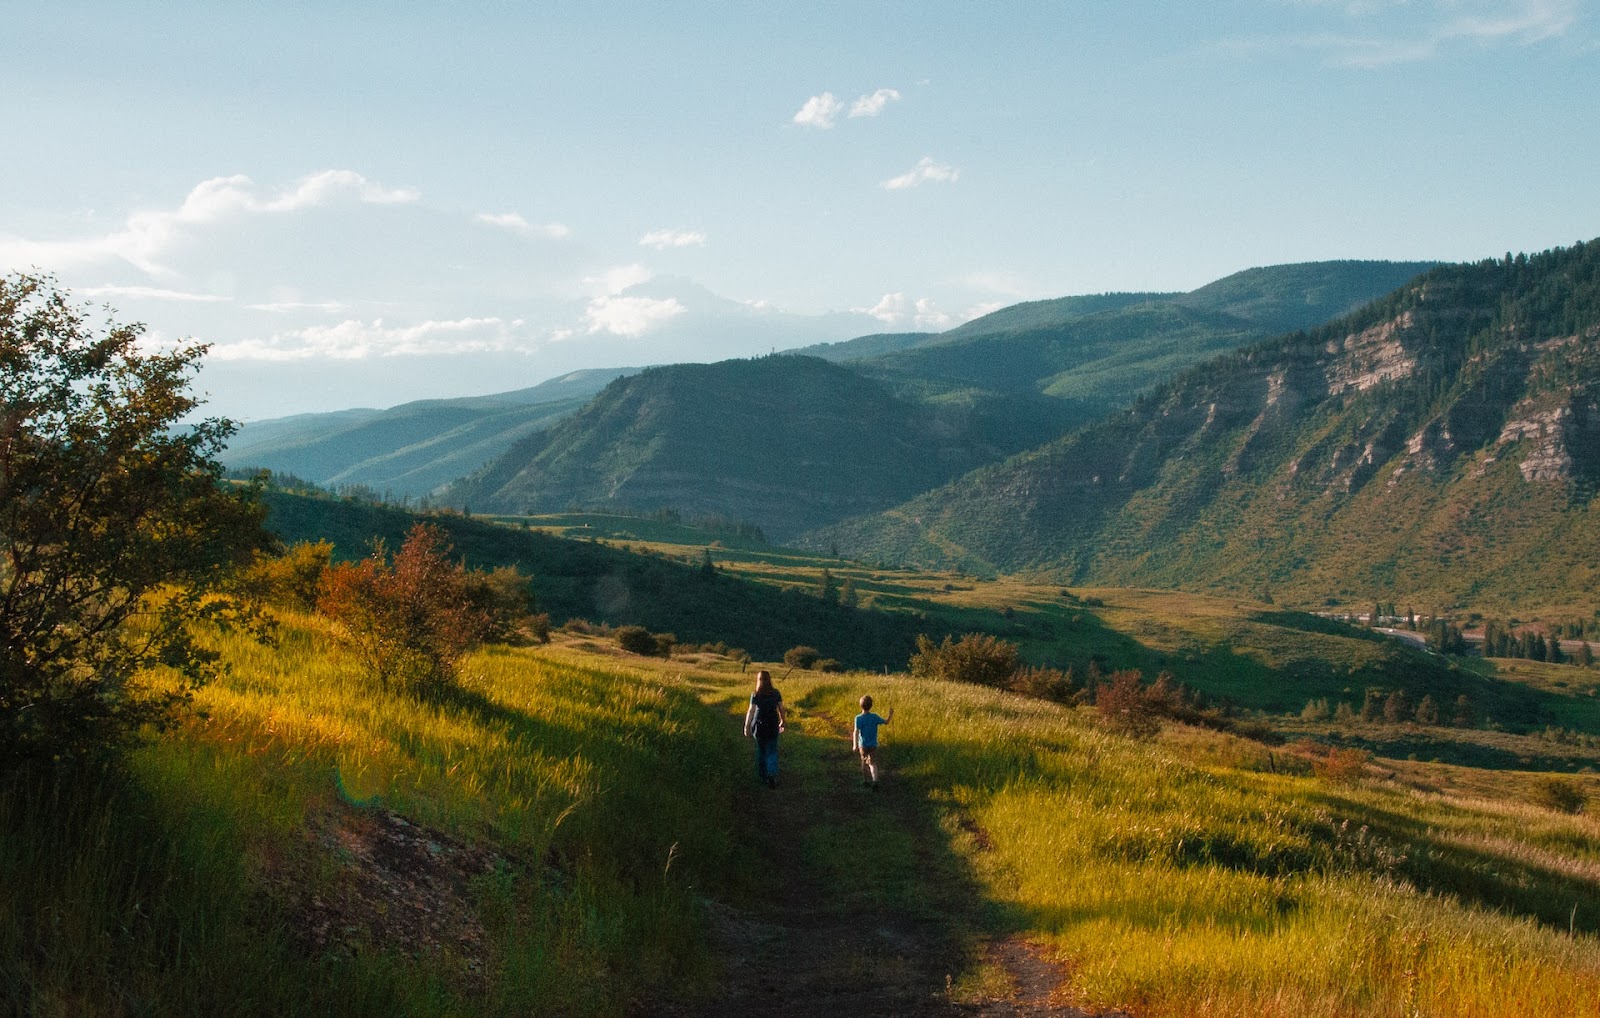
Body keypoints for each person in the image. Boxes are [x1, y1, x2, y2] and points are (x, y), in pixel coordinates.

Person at [743, 670, 786, 788]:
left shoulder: (755, 694)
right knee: (772, 749)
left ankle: (763, 775)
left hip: (759, 724)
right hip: (772, 723)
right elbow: (781, 708)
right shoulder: (775, 693)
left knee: (761, 750)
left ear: (759, 680)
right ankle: (771, 775)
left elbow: (751, 710)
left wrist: (746, 726)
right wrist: (783, 721)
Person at [852, 695, 894, 790]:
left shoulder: (858, 718)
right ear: (871, 706)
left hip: (863, 745)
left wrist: (855, 744)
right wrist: (890, 714)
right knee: (872, 763)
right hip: (873, 745)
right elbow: (886, 722)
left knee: (864, 762)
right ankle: (875, 781)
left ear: (860, 706)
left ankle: (865, 781)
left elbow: (856, 731)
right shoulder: (874, 717)